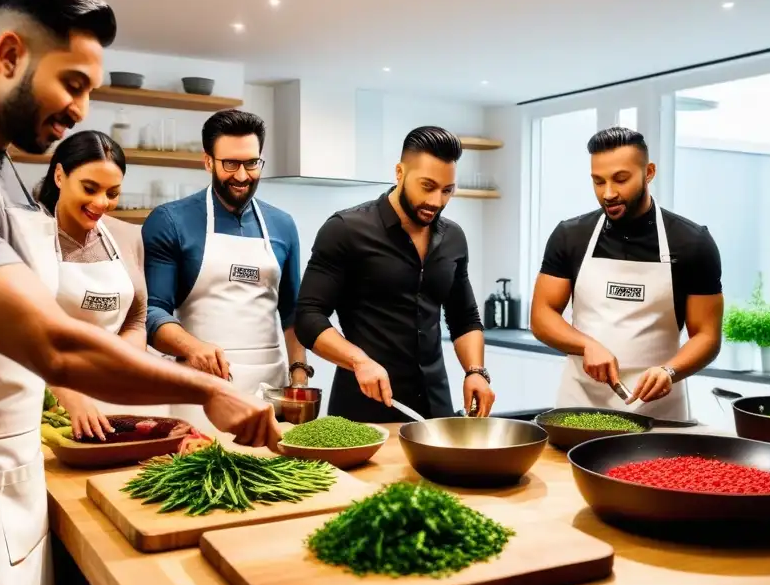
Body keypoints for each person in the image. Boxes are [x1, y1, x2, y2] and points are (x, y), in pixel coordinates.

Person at [0, 0, 276, 585]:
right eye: (73, 83)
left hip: (10, 470)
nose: (82, 111)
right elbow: (53, 343)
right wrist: (206, 392)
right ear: (9, 54)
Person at [295, 125, 495, 422]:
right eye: (427, 186)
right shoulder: (345, 230)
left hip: (435, 409)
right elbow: (308, 317)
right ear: (400, 173)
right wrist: (358, 360)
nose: (436, 201)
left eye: (447, 190)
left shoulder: (454, 238)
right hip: (363, 408)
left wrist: (475, 371)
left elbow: (464, 318)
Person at [530, 126, 724, 420]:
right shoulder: (571, 236)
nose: (608, 193)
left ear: (649, 172)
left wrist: (669, 371)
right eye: (598, 181)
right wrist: (587, 345)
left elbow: (707, 336)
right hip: (581, 402)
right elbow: (541, 316)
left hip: (658, 409)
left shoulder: (692, 243)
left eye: (621, 179)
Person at [142, 109, 309, 436]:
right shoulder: (170, 221)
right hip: (201, 390)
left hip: (270, 389)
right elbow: (151, 312)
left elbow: (292, 312)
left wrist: (299, 375)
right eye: (230, 164)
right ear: (208, 162)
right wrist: (192, 347)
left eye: (252, 163)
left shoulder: (283, 225)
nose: (243, 176)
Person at [35, 130, 157, 440]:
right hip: (48, 402)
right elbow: (23, 335)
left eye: (112, 193)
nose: (100, 202)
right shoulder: (29, 236)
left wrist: (124, 366)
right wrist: (71, 397)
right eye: (89, 188)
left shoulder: (128, 237)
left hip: (115, 394)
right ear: (60, 175)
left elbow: (135, 319)